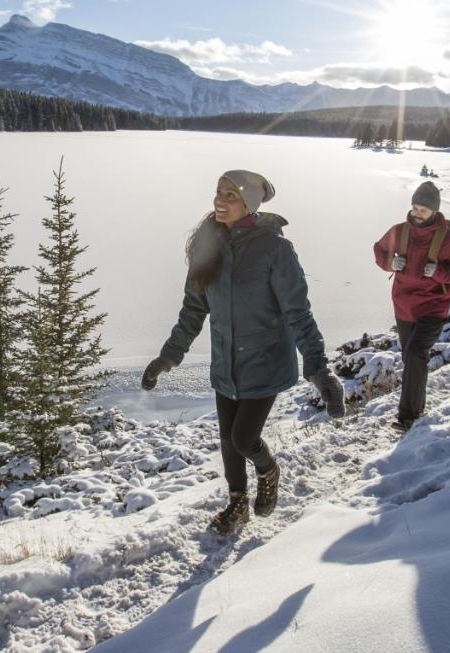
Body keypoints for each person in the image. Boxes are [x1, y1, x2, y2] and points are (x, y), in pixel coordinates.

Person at [141, 170, 344, 535]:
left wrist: (318, 368)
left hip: (265, 362)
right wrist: (168, 357)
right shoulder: (209, 246)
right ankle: (237, 504)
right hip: (225, 363)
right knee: (227, 442)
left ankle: (268, 470)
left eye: (230, 195)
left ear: (248, 202)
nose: (219, 200)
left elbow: (298, 312)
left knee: (243, 438)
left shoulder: (275, 250)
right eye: (218, 192)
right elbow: (193, 310)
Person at [373, 180, 450, 432]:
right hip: (404, 305)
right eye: (415, 207)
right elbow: (379, 249)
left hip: (433, 307)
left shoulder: (449, 239)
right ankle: (415, 407)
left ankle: (408, 417)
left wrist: (440, 273)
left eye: (423, 209)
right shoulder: (400, 231)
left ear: (435, 211)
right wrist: (390, 263)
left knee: (415, 354)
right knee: (411, 359)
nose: (417, 212)